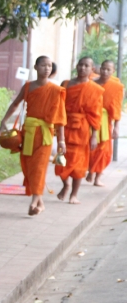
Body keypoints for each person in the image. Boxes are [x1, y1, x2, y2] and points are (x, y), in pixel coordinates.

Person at [0, 56, 66, 215]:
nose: (47, 68)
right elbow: (15, 104)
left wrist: (61, 140)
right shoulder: (28, 86)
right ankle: (40, 203)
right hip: (28, 133)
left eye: (50, 66)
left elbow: (60, 117)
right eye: (43, 65)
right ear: (35, 67)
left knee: (39, 167)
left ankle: (34, 201)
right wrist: (3, 122)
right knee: (29, 168)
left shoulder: (56, 91)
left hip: (45, 135)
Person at [55, 57, 104, 204]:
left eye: (86, 66)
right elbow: (58, 106)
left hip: (82, 129)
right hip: (65, 125)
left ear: (92, 69)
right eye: (81, 65)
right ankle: (66, 185)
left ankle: (74, 195)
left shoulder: (95, 90)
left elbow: (96, 114)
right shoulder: (66, 84)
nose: (83, 68)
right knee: (61, 161)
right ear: (76, 66)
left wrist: (94, 136)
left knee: (80, 163)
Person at [87, 60, 124, 186]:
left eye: (109, 69)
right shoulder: (91, 83)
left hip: (106, 121)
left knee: (104, 150)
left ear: (113, 71)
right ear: (99, 69)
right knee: (90, 148)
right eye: (103, 68)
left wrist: (117, 127)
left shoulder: (117, 87)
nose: (105, 72)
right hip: (90, 120)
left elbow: (117, 107)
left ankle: (97, 177)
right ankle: (91, 171)